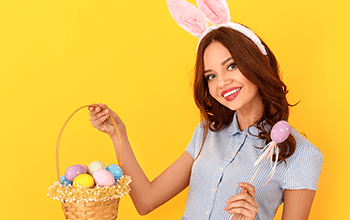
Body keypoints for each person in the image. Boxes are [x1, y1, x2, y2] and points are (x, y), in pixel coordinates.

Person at [89, 1, 323, 219]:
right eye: (211, 76)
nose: (221, 83)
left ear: (256, 62)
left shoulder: (302, 155)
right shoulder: (206, 133)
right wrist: (116, 133)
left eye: (231, 66)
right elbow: (145, 201)